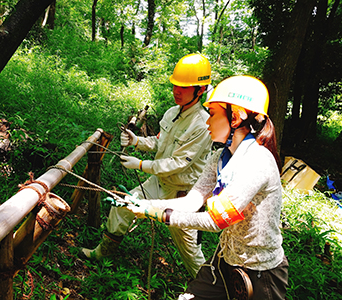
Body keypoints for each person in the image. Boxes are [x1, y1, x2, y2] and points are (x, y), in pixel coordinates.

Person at [124, 75, 289, 299]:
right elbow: (192, 201)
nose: (207, 122)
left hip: (261, 272)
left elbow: (215, 221)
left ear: (236, 117)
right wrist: (146, 204)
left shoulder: (257, 161)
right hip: (224, 260)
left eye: (212, 115)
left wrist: (160, 214)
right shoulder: (219, 157)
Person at [80, 53, 214, 277]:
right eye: (175, 85)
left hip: (181, 194)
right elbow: (160, 142)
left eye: (184, 87)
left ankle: (210, 289)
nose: (176, 91)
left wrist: (140, 164)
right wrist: (136, 141)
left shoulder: (202, 125)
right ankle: (103, 253)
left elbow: (178, 163)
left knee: (190, 253)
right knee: (122, 205)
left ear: (199, 90)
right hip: (157, 182)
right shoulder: (172, 113)